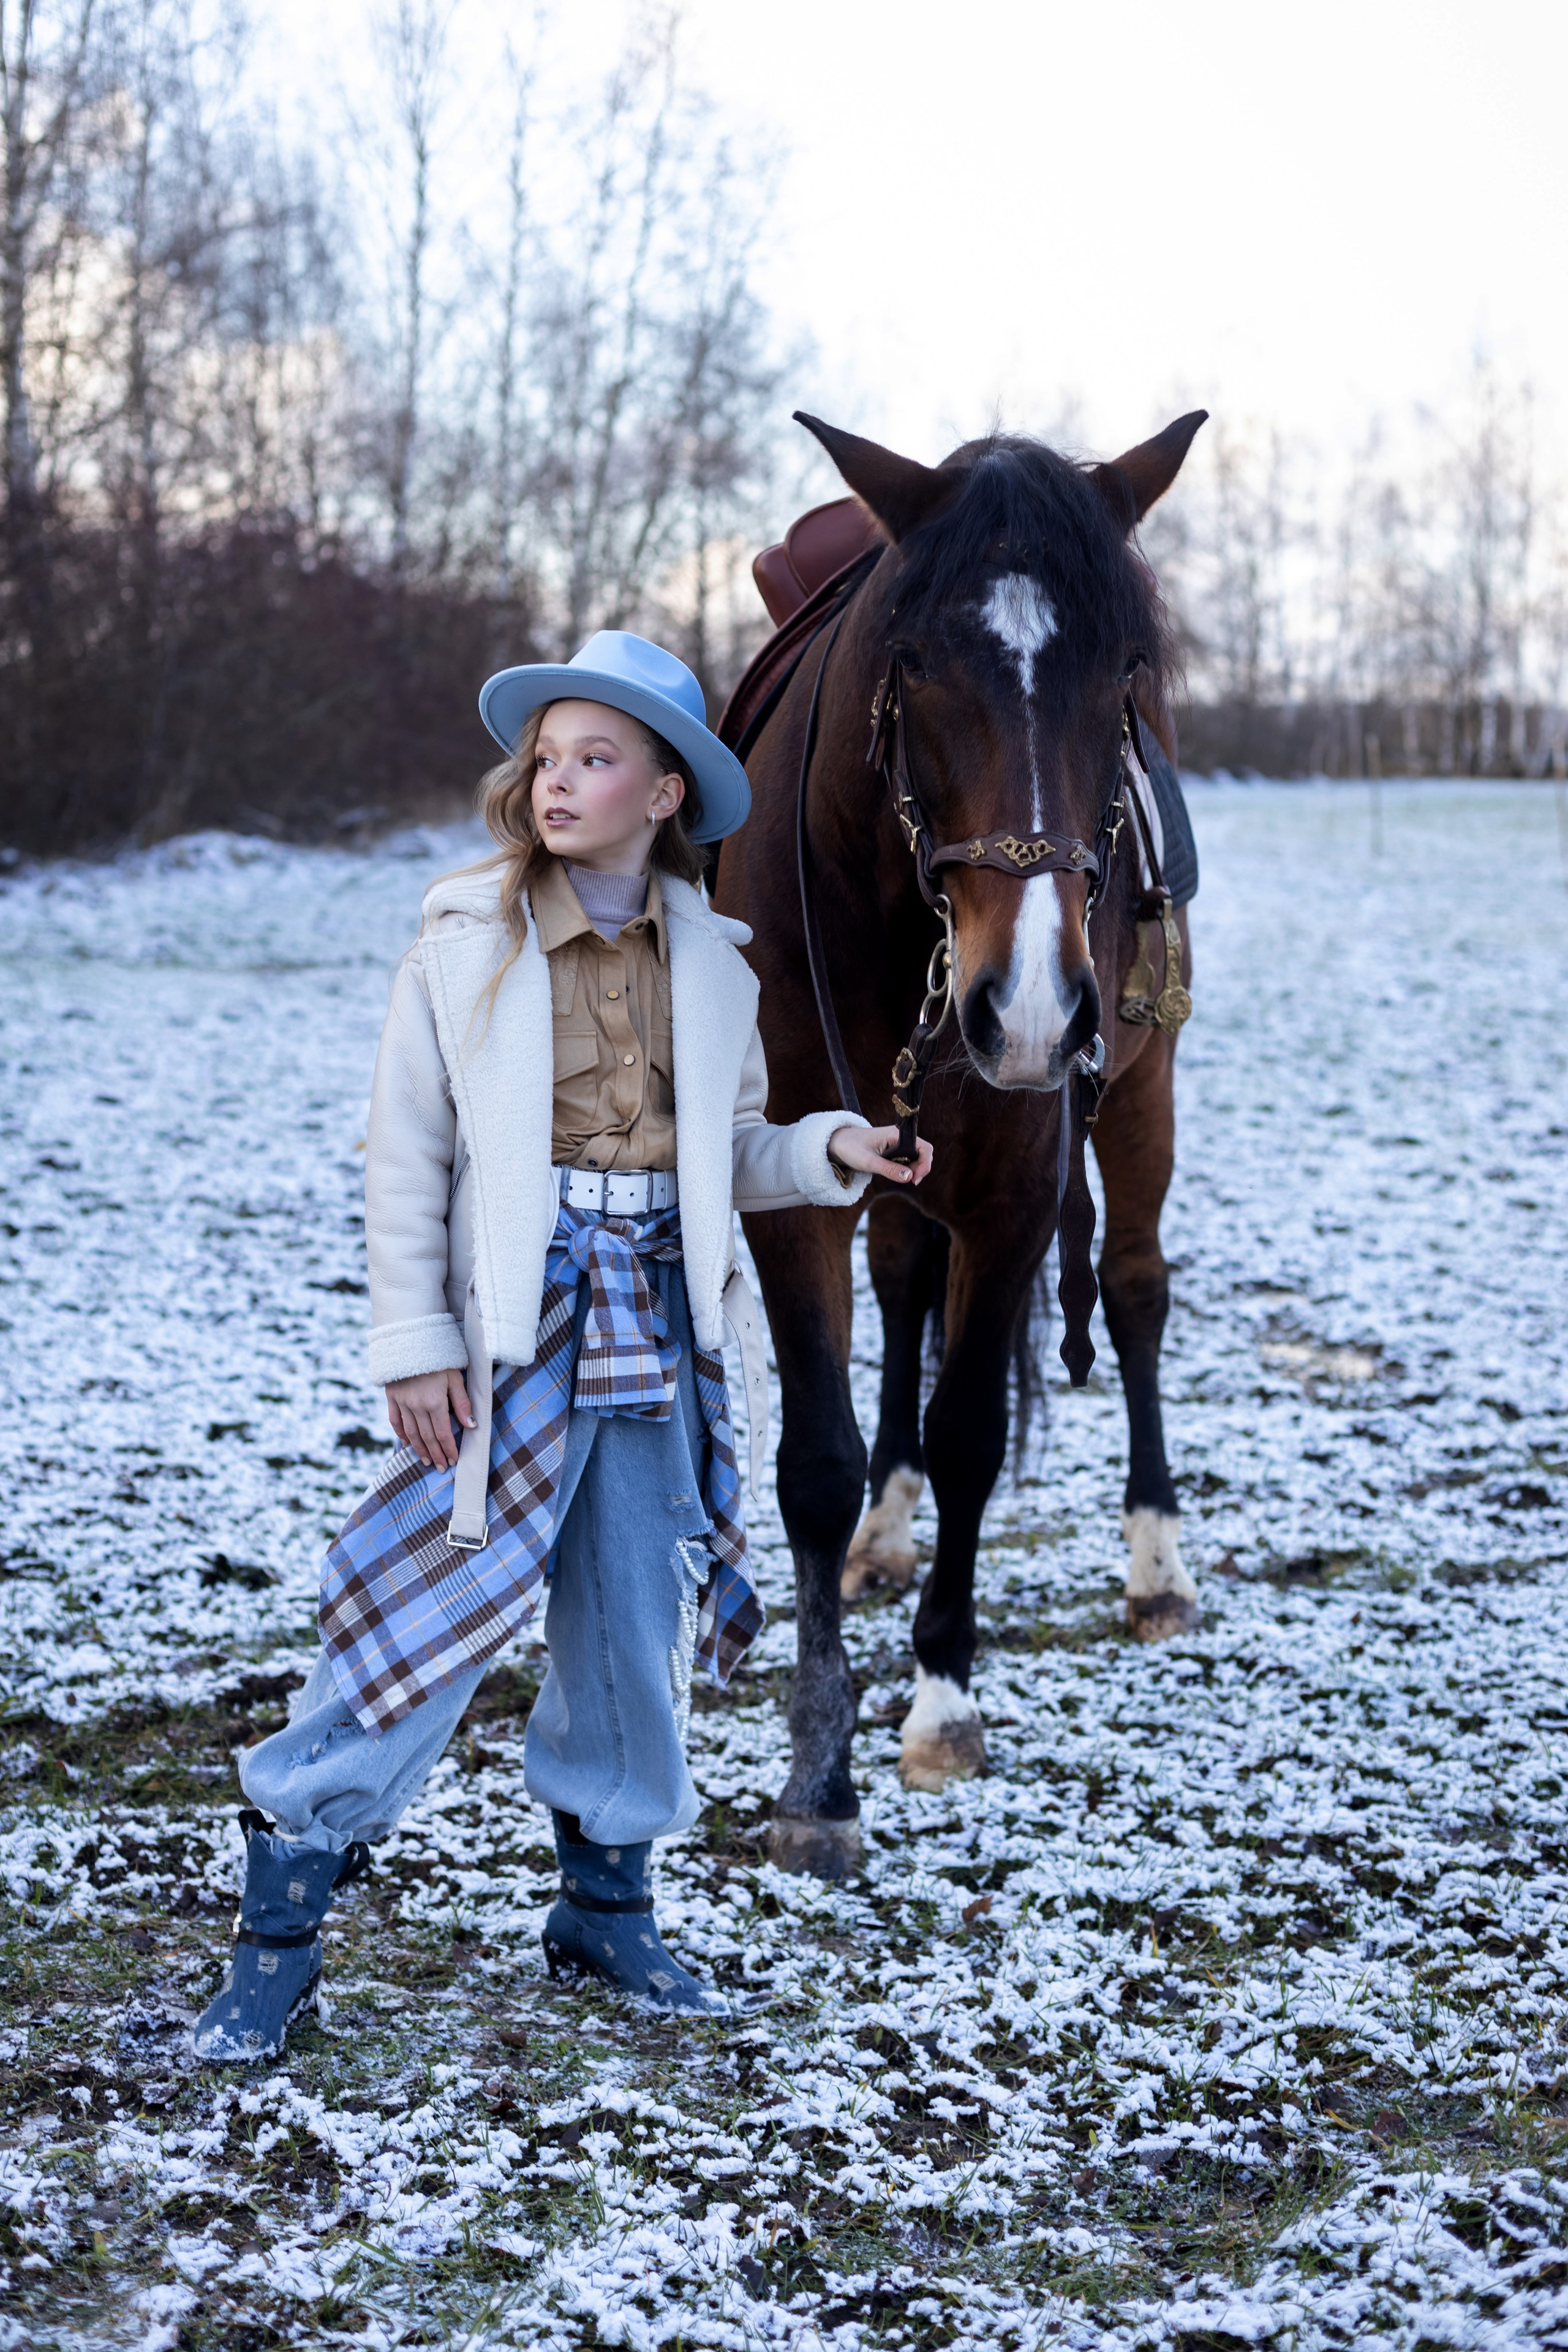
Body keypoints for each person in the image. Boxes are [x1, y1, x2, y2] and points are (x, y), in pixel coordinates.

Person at [194, 630, 932, 2060]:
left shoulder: (717, 964)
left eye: (597, 759)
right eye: (548, 756)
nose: (560, 781)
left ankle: (605, 1908)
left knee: (627, 1623)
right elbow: (405, 1152)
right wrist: (417, 1345)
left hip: (656, 1325)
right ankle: (278, 1926)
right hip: (510, 1333)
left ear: (666, 794)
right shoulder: (464, 937)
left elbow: (723, 1149)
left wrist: (829, 1145)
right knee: (430, 1608)